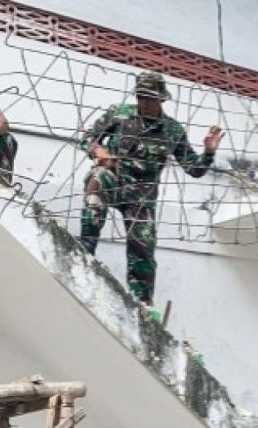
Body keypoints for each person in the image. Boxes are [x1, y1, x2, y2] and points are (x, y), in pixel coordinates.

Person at [78, 71, 224, 307]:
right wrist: (98, 151)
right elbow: (87, 137)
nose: (144, 103)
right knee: (98, 179)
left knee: (143, 247)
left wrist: (208, 152)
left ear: (161, 99)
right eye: (141, 97)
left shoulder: (172, 131)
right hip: (114, 180)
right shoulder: (119, 114)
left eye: (150, 98)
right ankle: (86, 249)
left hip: (141, 197)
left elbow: (194, 169)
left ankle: (142, 304)